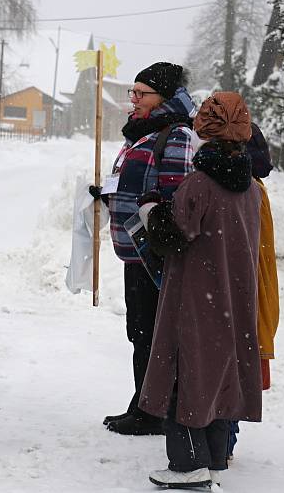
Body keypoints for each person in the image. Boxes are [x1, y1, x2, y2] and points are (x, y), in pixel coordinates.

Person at [137, 92, 263, 489]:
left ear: (202, 132)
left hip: (194, 294)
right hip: (233, 295)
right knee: (219, 371)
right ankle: (214, 454)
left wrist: (151, 211)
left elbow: (174, 236)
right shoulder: (251, 188)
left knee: (186, 371)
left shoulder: (199, 184)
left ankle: (189, 465)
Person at [91, 62, 196, 436]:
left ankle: (157, 411)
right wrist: (107, 194)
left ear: (163, 98)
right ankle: (145, 402)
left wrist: (157, 228)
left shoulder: (176, 134)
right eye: (132, 92)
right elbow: (132, 183)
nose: (132, 99)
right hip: (134, 252)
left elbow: (175, 194)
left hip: (155, 254)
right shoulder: (139, 134)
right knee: (140, 331)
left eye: (141, 93)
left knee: (155, 333)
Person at [228, 122, 280, 459]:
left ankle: (222, 441)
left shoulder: (243, 190)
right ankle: (224, 438)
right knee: (233, 353)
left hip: (230, 291)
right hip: (241, 294)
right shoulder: (255, 189)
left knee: (226, 357)